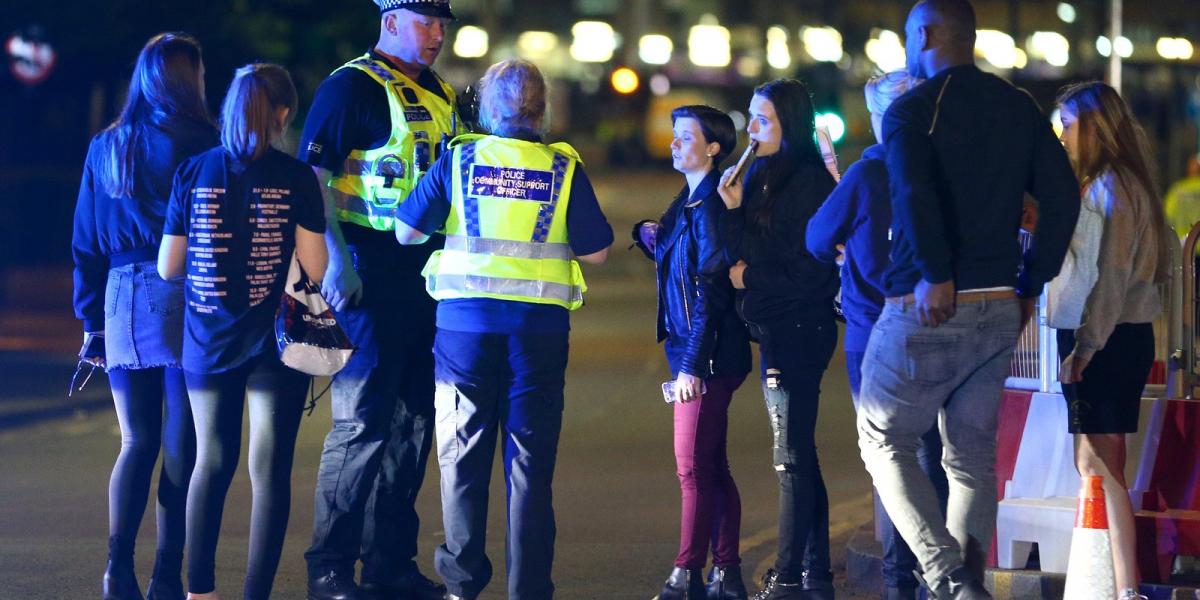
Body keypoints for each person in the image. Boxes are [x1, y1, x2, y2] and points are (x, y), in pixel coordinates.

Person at [854, 1, 1080, 598]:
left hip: (927, 301)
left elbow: (912, 193)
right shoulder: (1018, 107)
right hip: (1001, 302)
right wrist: (1032, 282)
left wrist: (934, 273)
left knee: (883, 437)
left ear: (925, 35)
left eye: (907, 35)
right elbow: (1060, 196)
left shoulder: (911, 110)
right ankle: (966, 585)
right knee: (972, 457)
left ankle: (946, 572)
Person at [393, 58, 613, 600]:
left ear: (487, 107)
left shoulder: (461, 159)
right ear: (542, 110)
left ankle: (462, 585)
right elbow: (599, 250)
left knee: (462, 457)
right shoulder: (563, 167)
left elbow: (405, 232)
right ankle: (528, 588)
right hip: (538, 331)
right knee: (530, 464)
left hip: (465, 331)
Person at [297, 1, 459, 598]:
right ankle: (330, 566)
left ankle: (390, 564)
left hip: (429, 282)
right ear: (390, 22)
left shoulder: (444, 93)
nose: (438, 34)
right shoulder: (350, 87)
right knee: (360, 425)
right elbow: (310, 178)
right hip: (368, 280)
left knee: (415, 425)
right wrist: (336, 261)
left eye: (443, 23)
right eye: (426, 22)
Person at [157, 63, 328, 600]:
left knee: (210, 461)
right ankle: (256, 592)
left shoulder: (193, 171)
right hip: (274, 341)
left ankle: (199, 591)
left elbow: (168, 265)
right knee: (269, 469)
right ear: (280, 115)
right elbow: (315, 269)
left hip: (207, 341)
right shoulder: (296, 176)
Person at [71, 31, 217, 600]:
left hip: (120, 296)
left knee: (136, 441)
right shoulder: (205, 141)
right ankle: (165, 574)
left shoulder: (107, 145)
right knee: (183, 446)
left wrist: (92, 320)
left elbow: (84, 240)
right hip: (185, 293)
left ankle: (117, 569)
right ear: (190, 79)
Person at [807, 71, 947, 600]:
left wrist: (849, 252)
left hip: (873, 333)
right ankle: (940, 578)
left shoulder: (865, 176)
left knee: (889, 460)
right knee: (933, 455)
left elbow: (818, 237)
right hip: (938, 327)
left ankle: (898, 580)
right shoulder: (945, 171)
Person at [716, 78, 839, 600]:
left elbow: (808, 270)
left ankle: (789, 578)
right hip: (774, 326)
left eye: (762, 120)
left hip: (799, 327)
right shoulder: (761, 175)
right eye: (750, 117)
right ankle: (817, 574)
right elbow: (738, 253)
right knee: (800, 455)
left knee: (789, 457)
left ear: (788, 124)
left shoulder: (810, 182)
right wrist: (731, 207)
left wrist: (750, 278)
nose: (751, 129)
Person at [1050, 81, 1169, 600]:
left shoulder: (1109, 189)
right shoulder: (1118, 184)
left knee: (1100, 461)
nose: (1063, 138)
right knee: (1096, 460)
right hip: (1115, 335)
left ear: (1095, 129)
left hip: (1106, 337)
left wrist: (1085, 348)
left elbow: (1110, 275)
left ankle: (1126, 587)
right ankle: (1116, 582)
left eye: (1068, 127)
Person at [633, 105, 752, 600]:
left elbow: (711, 290)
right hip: (700, 350)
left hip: (707, 354)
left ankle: (686, 574)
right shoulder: (690, 199)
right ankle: (725, 572)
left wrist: (690, 366)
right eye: (675, 136)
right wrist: (649, 235)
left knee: (692, 469)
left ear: (713, 148)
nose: (674, 144)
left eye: (685, 137)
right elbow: (682, 259)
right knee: (711, 466)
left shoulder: (710, 208)